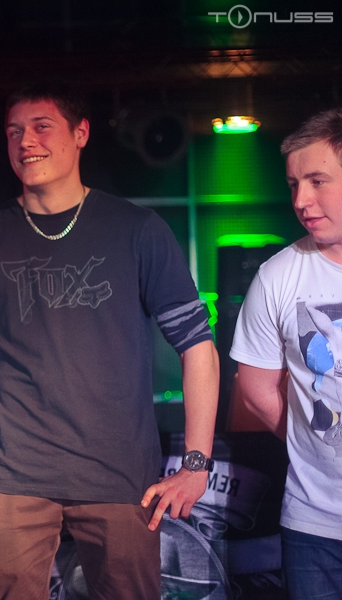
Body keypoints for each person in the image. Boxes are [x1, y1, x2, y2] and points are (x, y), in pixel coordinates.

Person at [0, 83, 219, 599]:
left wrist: (197, 463)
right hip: (12, 479)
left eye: (41, 126)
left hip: (122, 479)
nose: (26, 141)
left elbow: (197, 346)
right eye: (14, 131)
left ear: (81, 133)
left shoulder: (137, 229)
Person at [230, 108, 342, 600]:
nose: (301, 200)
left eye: (317, 181)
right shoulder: (278, 275)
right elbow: (255, 389)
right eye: (294, 184)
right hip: (312, 525)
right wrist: (316, 437)